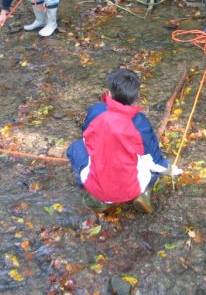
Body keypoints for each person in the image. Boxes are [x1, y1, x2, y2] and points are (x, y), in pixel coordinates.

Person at [67, 68, 182, 214]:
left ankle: (95, 198)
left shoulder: (95, 111)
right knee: (153, 165)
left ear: (109, 93)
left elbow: (87, 139)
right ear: (136, 97)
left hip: (98, 188)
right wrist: (170, 169)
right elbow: (154, 161)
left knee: (75, 148)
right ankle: (144, 193)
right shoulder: (140, 122)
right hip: (133, 188)